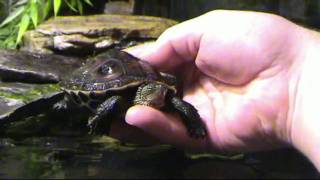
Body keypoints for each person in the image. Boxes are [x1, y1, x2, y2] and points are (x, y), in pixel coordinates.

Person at [113, 10, 320, 171]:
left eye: (160, 90)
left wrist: (296, 66)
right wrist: (297, 71)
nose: (160, 92)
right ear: (143, 95)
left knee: (170, 107)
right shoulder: (135, 96)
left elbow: (180, 104)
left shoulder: (167, 96)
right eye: (153, 91)